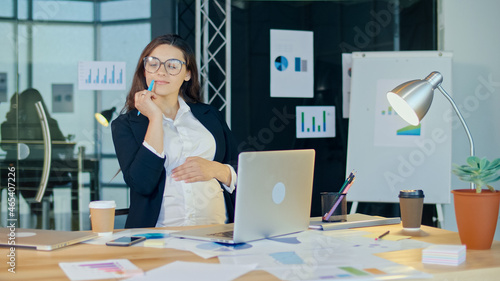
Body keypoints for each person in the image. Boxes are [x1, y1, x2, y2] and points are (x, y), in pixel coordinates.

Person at [111, 34, 238, 229]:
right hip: (158, 236)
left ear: (187, 73)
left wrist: (216, 169)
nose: (161, 72)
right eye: (153, 64)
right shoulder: (125, 125)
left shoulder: (211, 115)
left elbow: (240, 168)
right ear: (144, 71)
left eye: (172, 65)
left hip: (219, 231)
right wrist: (154, 119)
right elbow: (142, 183)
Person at [1, 88, 72, 228]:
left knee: (29, 195)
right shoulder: (48, 123)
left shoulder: (15, 123)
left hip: (22, 173)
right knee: (40, 199)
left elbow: (6, 146)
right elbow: (62, 145)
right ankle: (44, 223)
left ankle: (36, 221)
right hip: (40, 172)